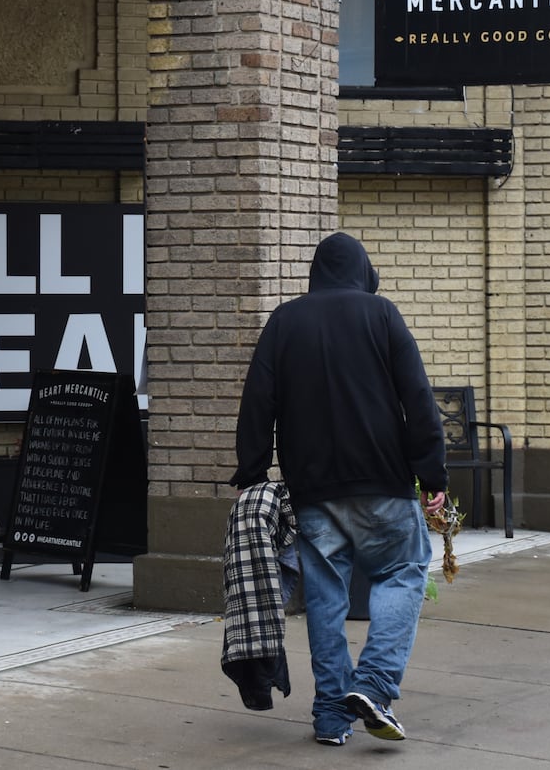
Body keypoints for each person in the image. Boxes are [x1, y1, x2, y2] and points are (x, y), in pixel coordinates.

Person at [231, 232, 448, 747]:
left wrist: (254, 472)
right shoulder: (382, 314)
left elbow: (257, 400)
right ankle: (373, 685)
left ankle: (331, 716)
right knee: (403, 571)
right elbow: (418, 397)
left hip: (312, 490)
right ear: (363, 270)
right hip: (383, 483)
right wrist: (433, 474)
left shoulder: (285, 320)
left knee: (326, 599)